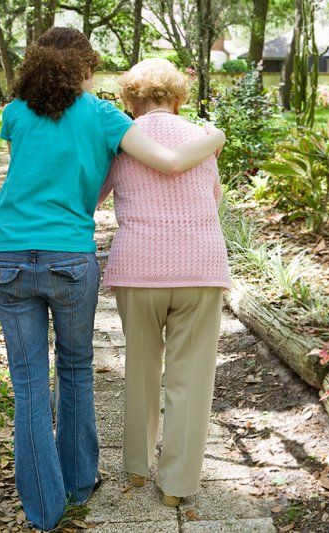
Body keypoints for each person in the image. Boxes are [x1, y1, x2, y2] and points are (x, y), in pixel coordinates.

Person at [0, 29, 225, 531]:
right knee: (83, 370)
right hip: (97, 259)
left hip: (19, 252)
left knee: (32, 386)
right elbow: (187, 176)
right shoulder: (108, 120)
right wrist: (216, 137)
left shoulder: (21, 114)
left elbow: (50, 177)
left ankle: (54, 506)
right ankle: (112, 484)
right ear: (85, 70)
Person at [98, 58, 231, 507]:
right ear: (178, 99)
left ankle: (137, 468)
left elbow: (94, 194)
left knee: (140, 366)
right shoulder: (202, 138)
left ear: (130, 101)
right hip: (201, 268)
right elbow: (213, 197)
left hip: (139, 268)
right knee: (190, 379)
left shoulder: (122, 141)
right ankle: (176, 486)